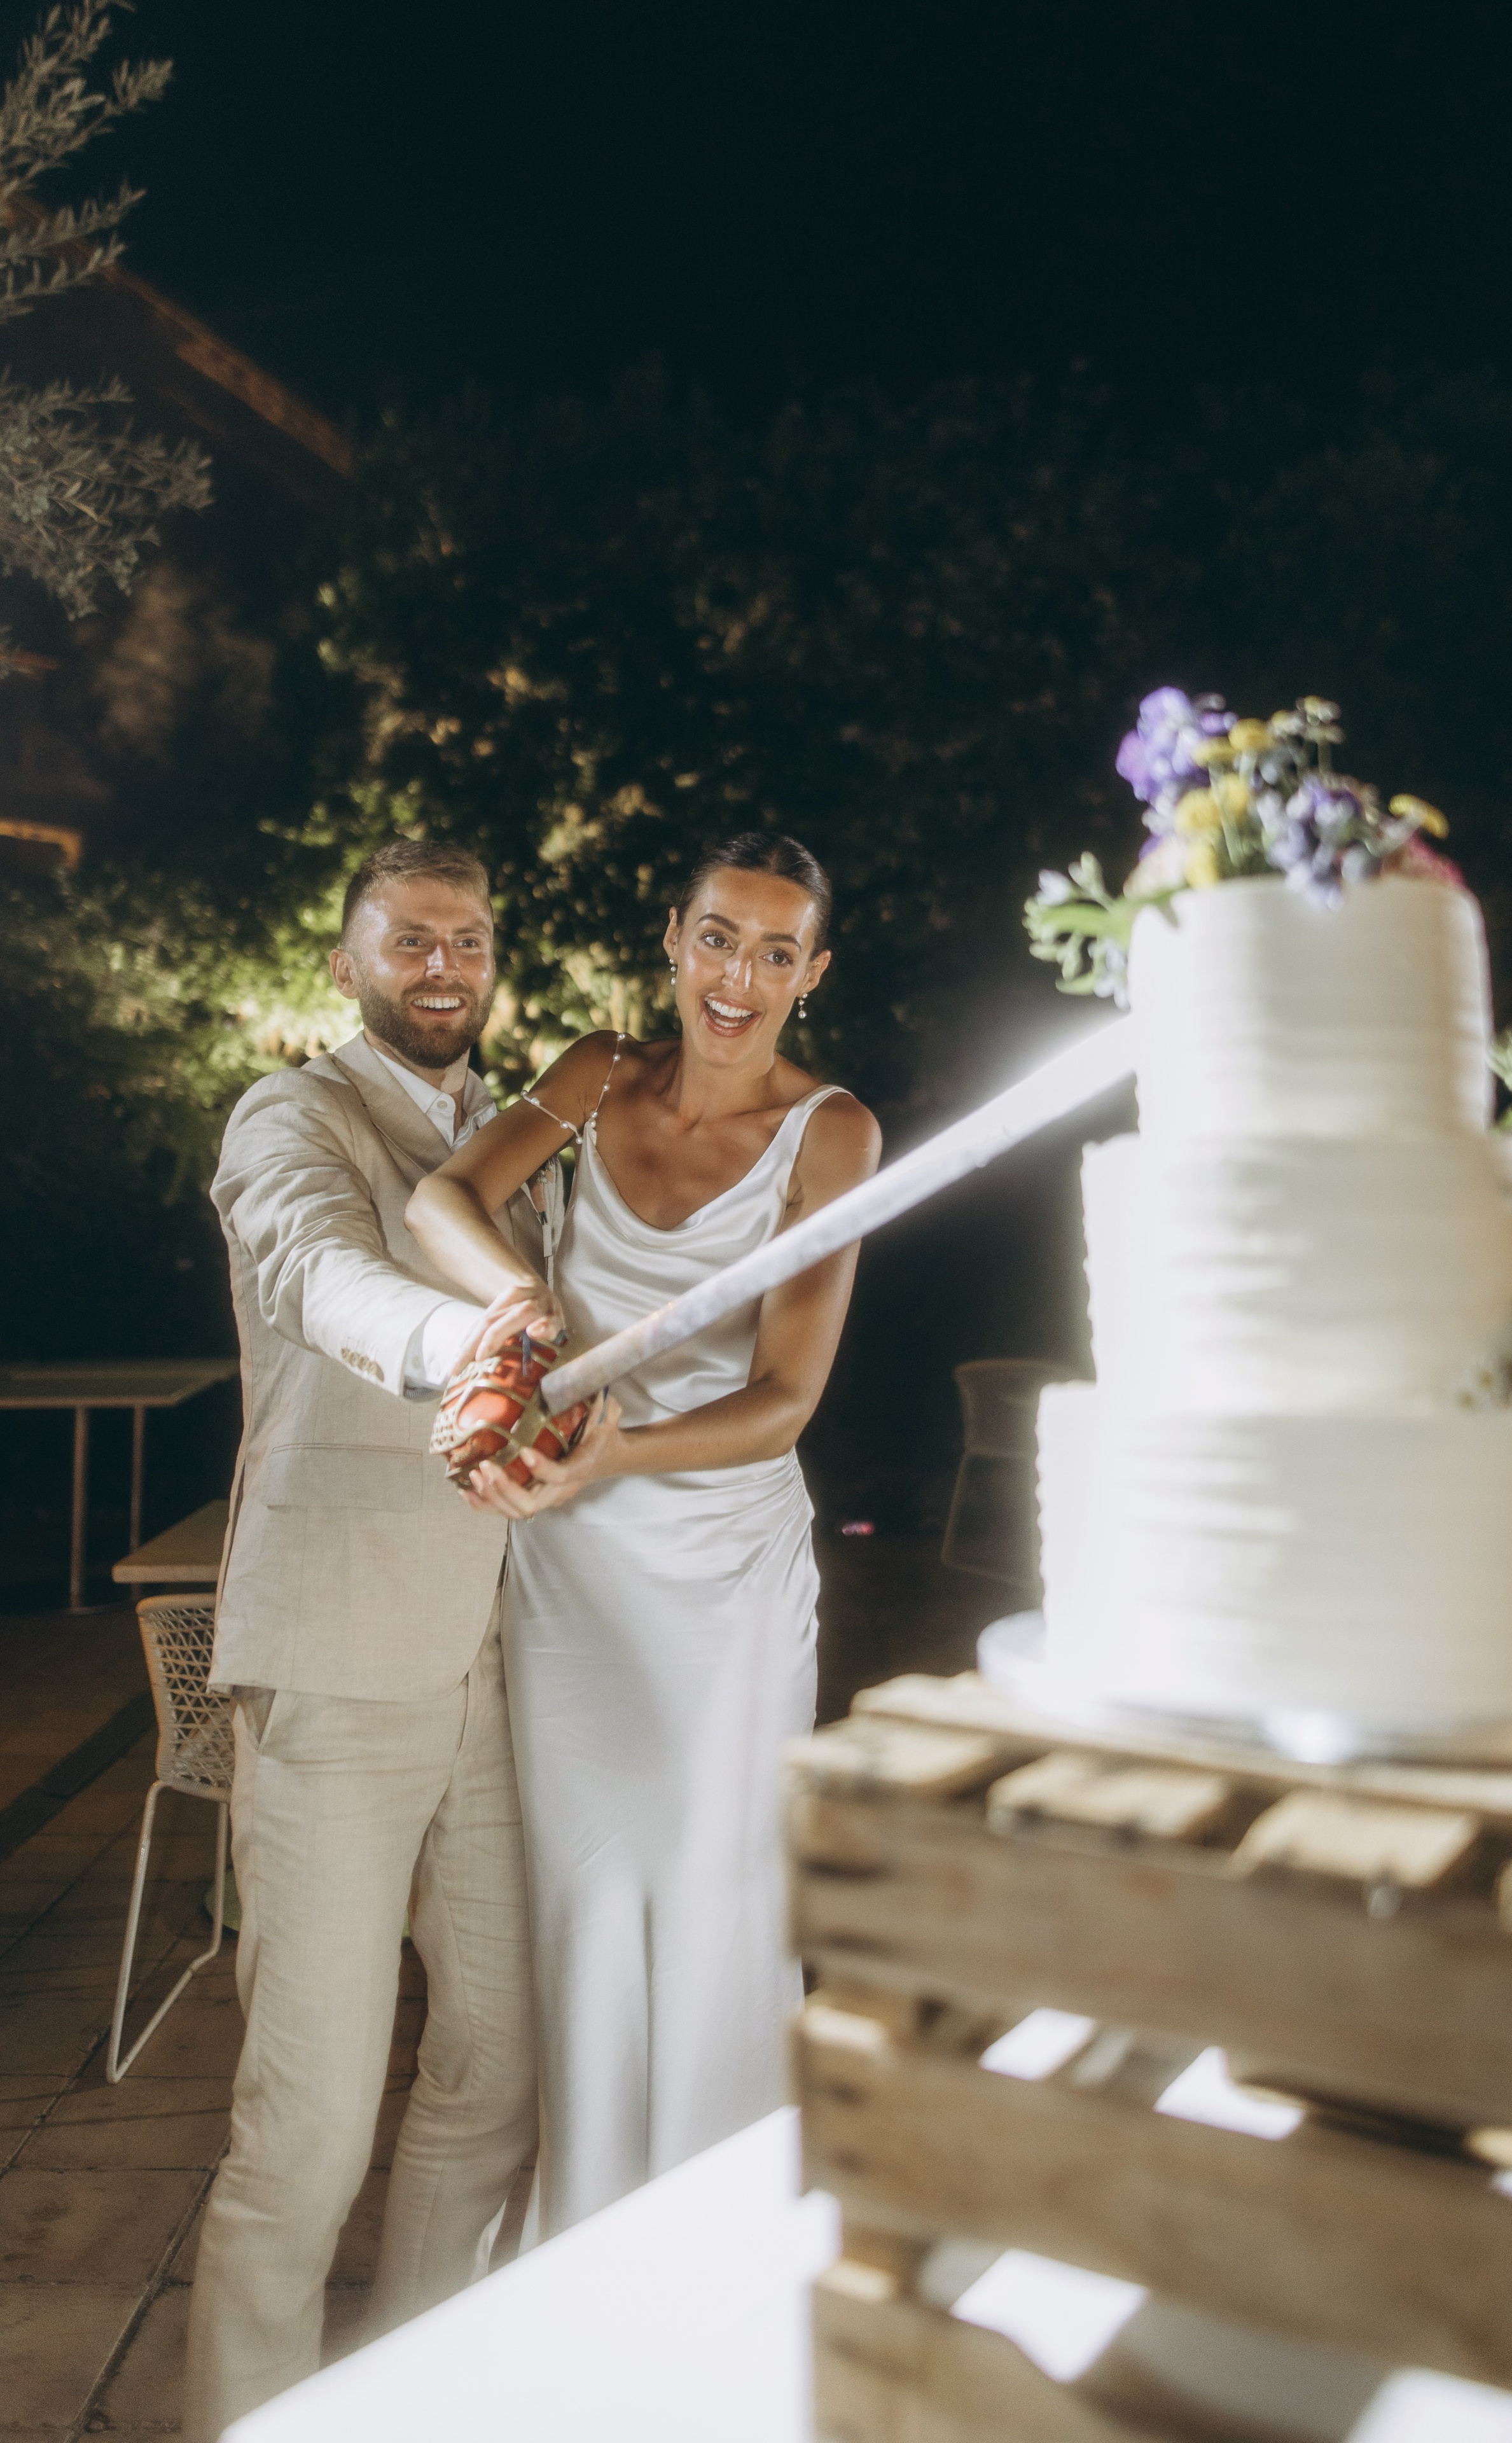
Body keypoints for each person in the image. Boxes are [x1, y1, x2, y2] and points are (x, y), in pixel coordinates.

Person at [184, 839, 616, 2442]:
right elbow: (319, 1274)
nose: (445, 965)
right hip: (341, 1657)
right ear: (351, 962)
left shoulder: (519, 1140)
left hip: (510, 1665)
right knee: (300, 2134)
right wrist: (474, 1343)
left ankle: (405, 2407)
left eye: (470, 941)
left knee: (497, 2077)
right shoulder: (291, 1116)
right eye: (410, 942)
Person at [405, 830, 880, 2235]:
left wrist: (620, 1453)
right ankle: (589, 2240)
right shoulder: (593, 1074)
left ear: (813, 972)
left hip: (722, 1565)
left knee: (719, 1894)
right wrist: (523, 1307)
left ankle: (717, 2244)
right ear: (673, 937)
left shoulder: (830, 1132)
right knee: (590, 1895)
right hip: (574, 1562)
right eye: (719, 937)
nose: (740, 976)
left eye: (777, 950)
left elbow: (785, 1398)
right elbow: (445, 1202)